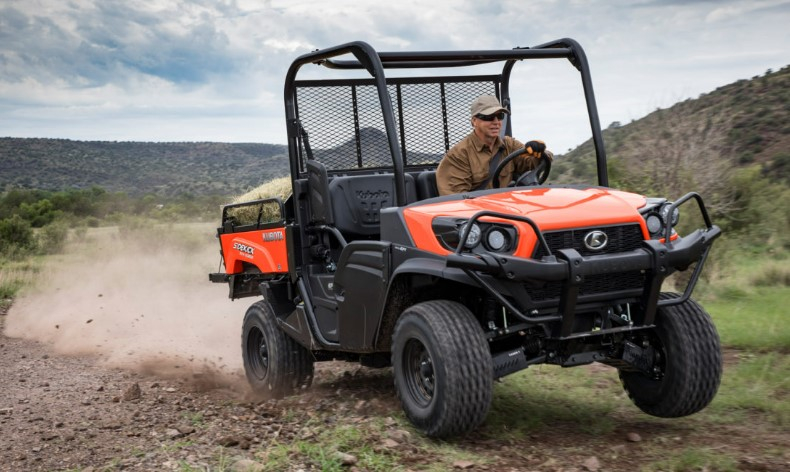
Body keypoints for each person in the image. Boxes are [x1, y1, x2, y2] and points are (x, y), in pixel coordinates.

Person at [436, 94, 552, 196]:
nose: (496, 122)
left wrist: (539, 152)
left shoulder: (509, 145)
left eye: (500, 116)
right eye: (489, 117)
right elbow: (457, 200)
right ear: (474, 121)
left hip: (507, 208)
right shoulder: (459, 155)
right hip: (478, 216)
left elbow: (533, 162)